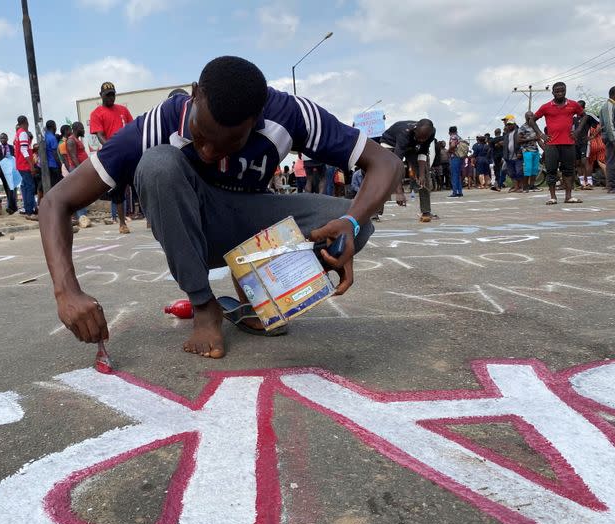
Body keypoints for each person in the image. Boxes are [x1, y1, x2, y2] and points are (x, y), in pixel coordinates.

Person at [39, 56, 401, 359]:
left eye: (228, 143)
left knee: (355, 224)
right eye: (200, 136)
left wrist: (351, 221)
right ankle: (204, 305)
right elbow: (56, 201)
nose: (209, 152)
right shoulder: (158, 124)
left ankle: (257, 297)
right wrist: (66, 291)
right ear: (195, 96)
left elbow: (385, 163)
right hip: (196, 230)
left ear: (257, 117)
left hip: (250, 223)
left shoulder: (290, 114)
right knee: (156, 165)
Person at [530, 82, 586, 204]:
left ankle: (568, 196)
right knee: (551, 170)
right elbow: (532, 120)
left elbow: (584, 116)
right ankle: (552, 197)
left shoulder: (573, 104)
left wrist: (578, 131)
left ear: (565, 91)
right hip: (552, 144)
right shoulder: (546, 107)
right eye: (557, 91)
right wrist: (541, 134)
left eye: (562, 91)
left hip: (568, 143)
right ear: (553, 92)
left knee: (569, 170)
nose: (560, 93)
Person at [89, 81, 134, 234]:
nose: (111, 98)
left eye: (113, 95)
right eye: (107, 95)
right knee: (119, 189)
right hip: (114, 155)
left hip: (129, 152)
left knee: (140, 184)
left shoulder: (123, 110)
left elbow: (132, 128)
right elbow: (100, 135)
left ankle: (150, 219)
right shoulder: (96, 113)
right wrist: (113, 149)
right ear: (101, 95)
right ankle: (122, 223)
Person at [379, 119, 435, 221]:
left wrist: (421, 175)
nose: (422, 140)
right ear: (415, 130)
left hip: (412, 146)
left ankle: (426, 210)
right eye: (420, 137)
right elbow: (395, 164)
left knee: (424, 175)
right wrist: (399, 192)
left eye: (424, 138)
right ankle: (375, 212)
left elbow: (423, 152)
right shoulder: (404, 133)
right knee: (383, 175)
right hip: (390, 143)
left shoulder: (431, 133)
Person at [14, 115, 37, 219]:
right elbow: (24, 150)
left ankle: (29, 209)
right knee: (30, 186)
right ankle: (29, 210)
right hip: (24, 164)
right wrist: (31, 164)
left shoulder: (17, 133)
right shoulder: (23, 133)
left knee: (27, 187)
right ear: (26, 122)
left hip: (20, 163)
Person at [66, 122, 90, 219]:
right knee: (80, 193)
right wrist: (81, 170)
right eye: (82, 128)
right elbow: (73, 157)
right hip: (76, 170)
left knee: (82, 193)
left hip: (79, 169)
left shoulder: (76, 140)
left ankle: (81, 216)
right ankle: (81, 216)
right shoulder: (71, 141)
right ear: (77, 129)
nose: (83, 130)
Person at [0, 133, 17, 213]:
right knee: (7, 188)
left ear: (7, 139)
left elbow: (15, 157)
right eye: (1, 138)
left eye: (4, 138)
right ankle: (13, 207)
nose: (2, 140)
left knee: (11, 188)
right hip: (2, 172)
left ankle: (11, 207)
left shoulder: (11, 148)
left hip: (11, 171)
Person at [518, 111, 543, 192]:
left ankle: (532, 186)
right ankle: (525, 187)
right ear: (526, 117)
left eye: (532, 116)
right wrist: (532, 139)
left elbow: (538, 139)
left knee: (535, 169)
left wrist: (545, 149)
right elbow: (518, 140)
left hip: (535, 150)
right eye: (529, 116)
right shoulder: (523, 127)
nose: (531, 117)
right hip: (527, 150)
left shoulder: (535, 126)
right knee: (528, 169)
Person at [44, 120, 63, 188]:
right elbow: (55, 154)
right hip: (54, 165)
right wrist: (60, 165)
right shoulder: (52, 138)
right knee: (57, 186)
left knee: (52, 185)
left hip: (48, 165)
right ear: (53, 127)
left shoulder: (45, 136)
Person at [447, 126, 465, 197]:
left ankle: (455, 192)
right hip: (460, 157)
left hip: (455, 157)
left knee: (454, 175)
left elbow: (453, 145)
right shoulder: (459, 137)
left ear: (449, 132)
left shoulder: (453, 137)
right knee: (458, 175)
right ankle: (459, 191)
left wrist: (448, 150)